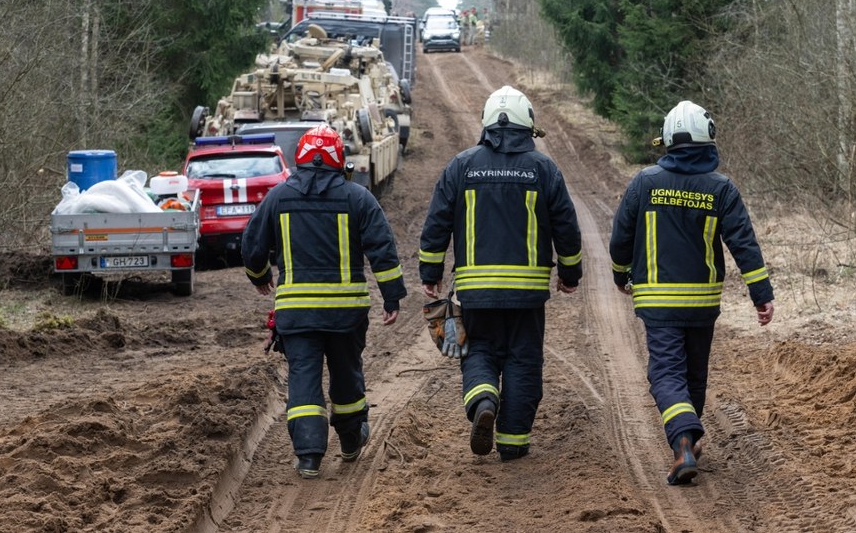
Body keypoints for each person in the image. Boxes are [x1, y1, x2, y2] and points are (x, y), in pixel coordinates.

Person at [609, 100, 775, 485]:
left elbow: (621, 236)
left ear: (665, 140)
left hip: (657, 299)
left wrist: (620, 273)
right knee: (694, 373)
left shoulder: (645, 182)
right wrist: (761, 294)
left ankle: (683, 439)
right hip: (702, 300)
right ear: (709, 139)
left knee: (666, 371)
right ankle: (688, 439)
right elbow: (744, 245)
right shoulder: (721, 188)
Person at [419, 86, 582, 461]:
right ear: (528, 127)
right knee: (523, 361)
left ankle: (483, 402)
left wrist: (431, 271)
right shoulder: (544, 169)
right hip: (527, 295)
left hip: (475, 292)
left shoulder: (461, 165)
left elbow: (436, 224)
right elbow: (566, 228)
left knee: (477, 352)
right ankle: (512, 442)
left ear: (486, 124)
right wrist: (570, 274)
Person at [241, 125, 407, 480]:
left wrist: (259, 276)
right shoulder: (358, 198)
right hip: (346, 313)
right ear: (339, 160)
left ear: (300, 158)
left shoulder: (278, 197)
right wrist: (392, 296)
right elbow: (383, 249)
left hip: (297, 313)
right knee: (346, 373)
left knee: (303, 378)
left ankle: (309, 456)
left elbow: (252, 244)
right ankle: (350, 440)